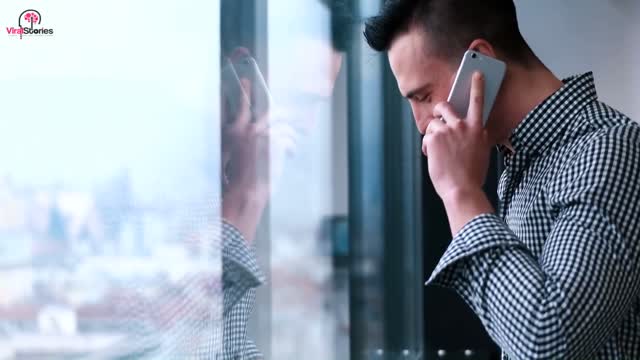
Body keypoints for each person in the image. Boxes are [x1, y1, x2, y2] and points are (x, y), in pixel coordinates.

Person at [364, 1, 640, 359]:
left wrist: (460, 193)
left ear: (479, 63)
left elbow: (547, 343)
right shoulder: (520, 162)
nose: (420, 124)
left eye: (424, 96)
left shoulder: (610, 150)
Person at [88, 1, 351, 359]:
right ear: (242, 75)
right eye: (301, 100)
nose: (310, 125)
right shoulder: (157, 185)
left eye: (320, 104)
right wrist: (247, 199)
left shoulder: (271, 178)